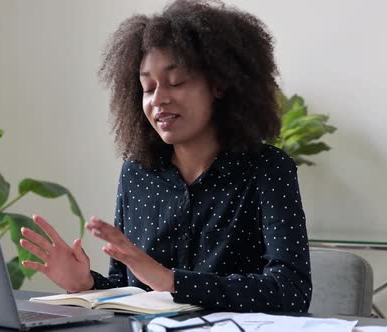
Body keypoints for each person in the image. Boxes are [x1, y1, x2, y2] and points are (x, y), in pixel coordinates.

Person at [20, 0, 312, 312]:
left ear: (220, 84)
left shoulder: (267, 169)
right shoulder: (137, 172)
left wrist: (172, 281)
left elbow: (290, 290)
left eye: (176, 82)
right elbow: (129, 289)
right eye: (147, 87)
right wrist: (86, 283)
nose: (158, 100)